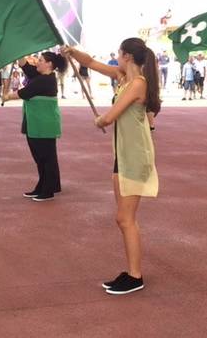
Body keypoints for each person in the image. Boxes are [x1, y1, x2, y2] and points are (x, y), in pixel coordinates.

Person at [65, 38, 160, 295]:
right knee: (123, 219)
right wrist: (73, 52)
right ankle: (131, 271)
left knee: (125, 218)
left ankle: (135, 275)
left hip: (136, 155)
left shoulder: (138, 84)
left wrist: (100, 120)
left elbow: (111, 115)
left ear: (127, 56)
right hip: (124, 154)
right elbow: (91, 63)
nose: (116, 57)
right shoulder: (123, 77)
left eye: (119, 53)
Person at [3, 51, 67, 202]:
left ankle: (48, 190)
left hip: (43, 124)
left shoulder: (45, 80)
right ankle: (45, 185)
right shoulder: (40, 76)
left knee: (45, 157)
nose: (37, 62)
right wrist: (18, 51)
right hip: (37, 123)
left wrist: (8, 96)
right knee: (41, 157)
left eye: (40, 60)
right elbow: (26, 66)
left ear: (49, 64)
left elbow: (24, 93)